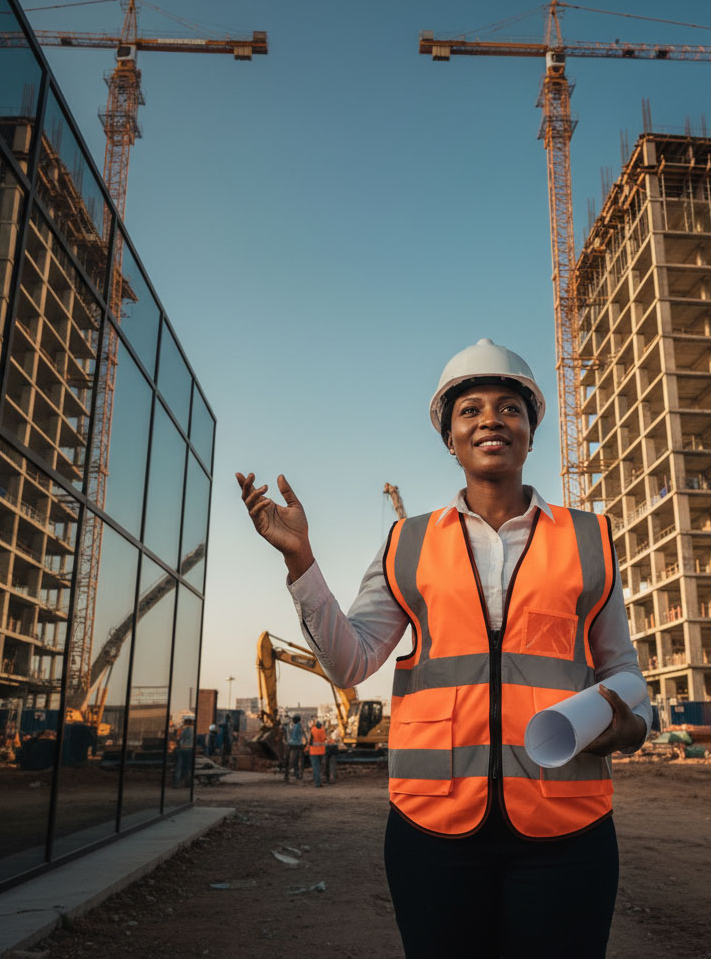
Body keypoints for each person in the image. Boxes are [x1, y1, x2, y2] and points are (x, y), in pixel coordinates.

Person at [237, 337, 652, 959]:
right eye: (471, 410)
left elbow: (620, 665)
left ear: (531, 433)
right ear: (449, 438)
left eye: (510, 407)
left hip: (566, 823)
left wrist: (629, 724)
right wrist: (301, 560)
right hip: (433, 828)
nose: (491, 419)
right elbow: (349, 662)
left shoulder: (589, 538)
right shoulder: (406, 542)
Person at [174, 715, 195, 788]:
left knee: (179, 767)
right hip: (190, 749)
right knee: (188, 767)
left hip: (182, 749)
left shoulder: (184, 730)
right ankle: (188, 783)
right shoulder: (193, 731)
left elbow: (179, 739)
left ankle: (176, 783)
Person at [286, 714, 306, 780]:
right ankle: (298, 775)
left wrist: (287, 729)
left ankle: (287, 775)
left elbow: (292, 736)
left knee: (292, 761)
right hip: (299, 745)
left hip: (295, 746)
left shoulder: (296, 727)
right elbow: (304, 735)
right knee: (298, 762)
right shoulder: (300, 726)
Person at [309, 719, 327, 787]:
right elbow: (324, 739)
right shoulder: (322, 730)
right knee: (318, 768)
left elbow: (310, 741)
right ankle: (316, 780)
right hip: (321, 751)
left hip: (313, 751)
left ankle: (317, 782)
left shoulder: (313, 730)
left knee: (315, 767)